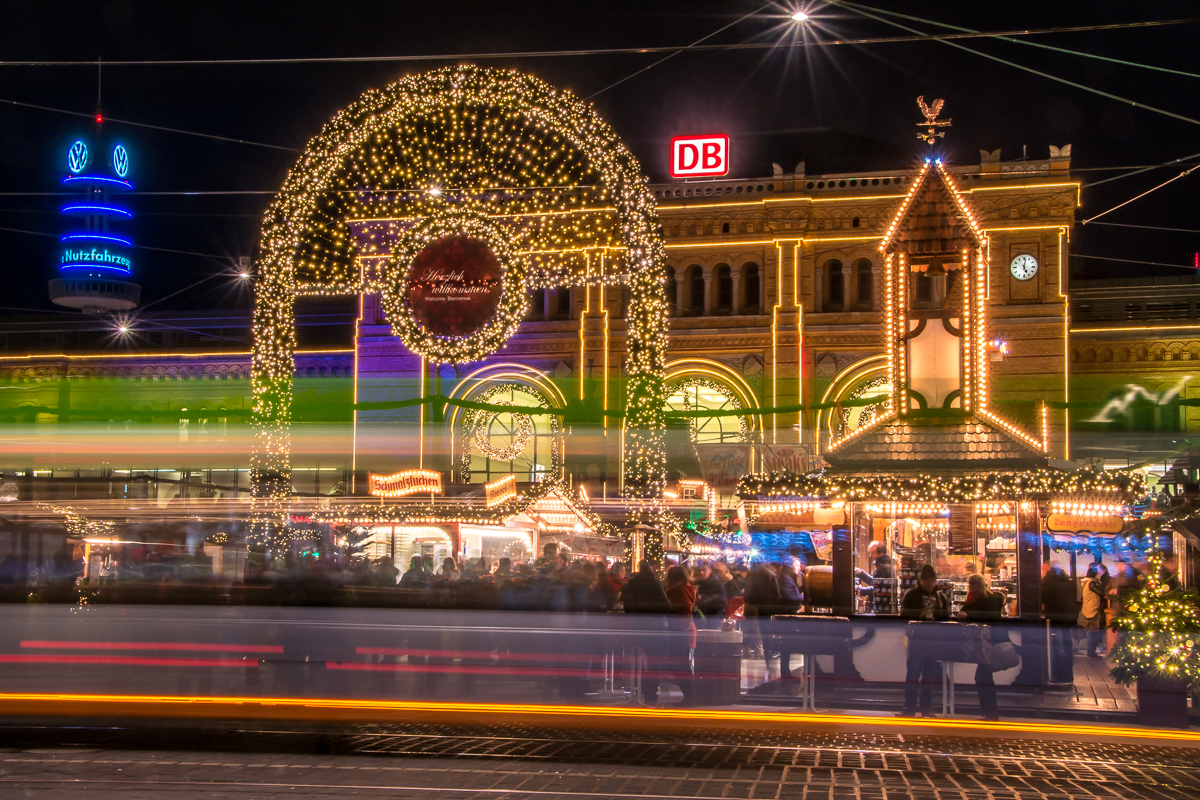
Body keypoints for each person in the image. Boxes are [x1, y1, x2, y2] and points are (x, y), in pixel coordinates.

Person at [899, 564, 950, 717]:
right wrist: (919, 615)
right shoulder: (915, 595)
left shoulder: (939, 597)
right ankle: (914, 707)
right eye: (926, 580)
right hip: (921, 638)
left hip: (929, 639)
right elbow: (904, 616)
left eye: (931, 580)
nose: (929, 583)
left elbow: (946, 617)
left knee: (926, 675)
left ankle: (919, 707)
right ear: (920, 580)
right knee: (916, 674)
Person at [957, 573, 1005, 721]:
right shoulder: (974, 599)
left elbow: (990, 617)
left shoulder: (988, 599)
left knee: (983, 677)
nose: (970, 586)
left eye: (973, 583)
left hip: (989, 643)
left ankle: (990, 712)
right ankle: (989, 712)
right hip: (982, 643)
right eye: (969, 583)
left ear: (980, 584)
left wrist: (968, 616)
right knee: (984, 677)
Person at [660, 565, 697, 704]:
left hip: (679, 630)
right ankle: (690, 694)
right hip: (683, 629)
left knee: (675, 663)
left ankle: (690, 694)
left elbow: (673, 608)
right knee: (680, 662)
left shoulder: (679, 591)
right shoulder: (685, 588)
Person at [1040, 563, 1077, 685]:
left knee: (1056, 647)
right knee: (1067, 646)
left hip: (1054, 617)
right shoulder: (1068, 580)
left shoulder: (1047, 581)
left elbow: (1041, 599)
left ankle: (1058, 675)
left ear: (1046, 569)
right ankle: (1068, 676)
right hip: (1068, 617)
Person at [1080, 564, 1108, 658]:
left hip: (1090, 610)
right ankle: (1091, 652)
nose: (1100, 573)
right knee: (1095, 631)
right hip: (1092, 610)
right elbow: (1101, 593)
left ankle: (1091, 652)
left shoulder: (1089, 582)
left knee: (1095, 631)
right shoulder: (1091, 583)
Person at [693, 561, 727, 626]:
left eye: (704, 570)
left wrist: (703, 599)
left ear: (710, 570)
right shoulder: (701, 583)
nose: (702, 572)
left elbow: (722, 600)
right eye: (701, 570)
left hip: (713, 617)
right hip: (702, 617)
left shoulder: (716, 584)